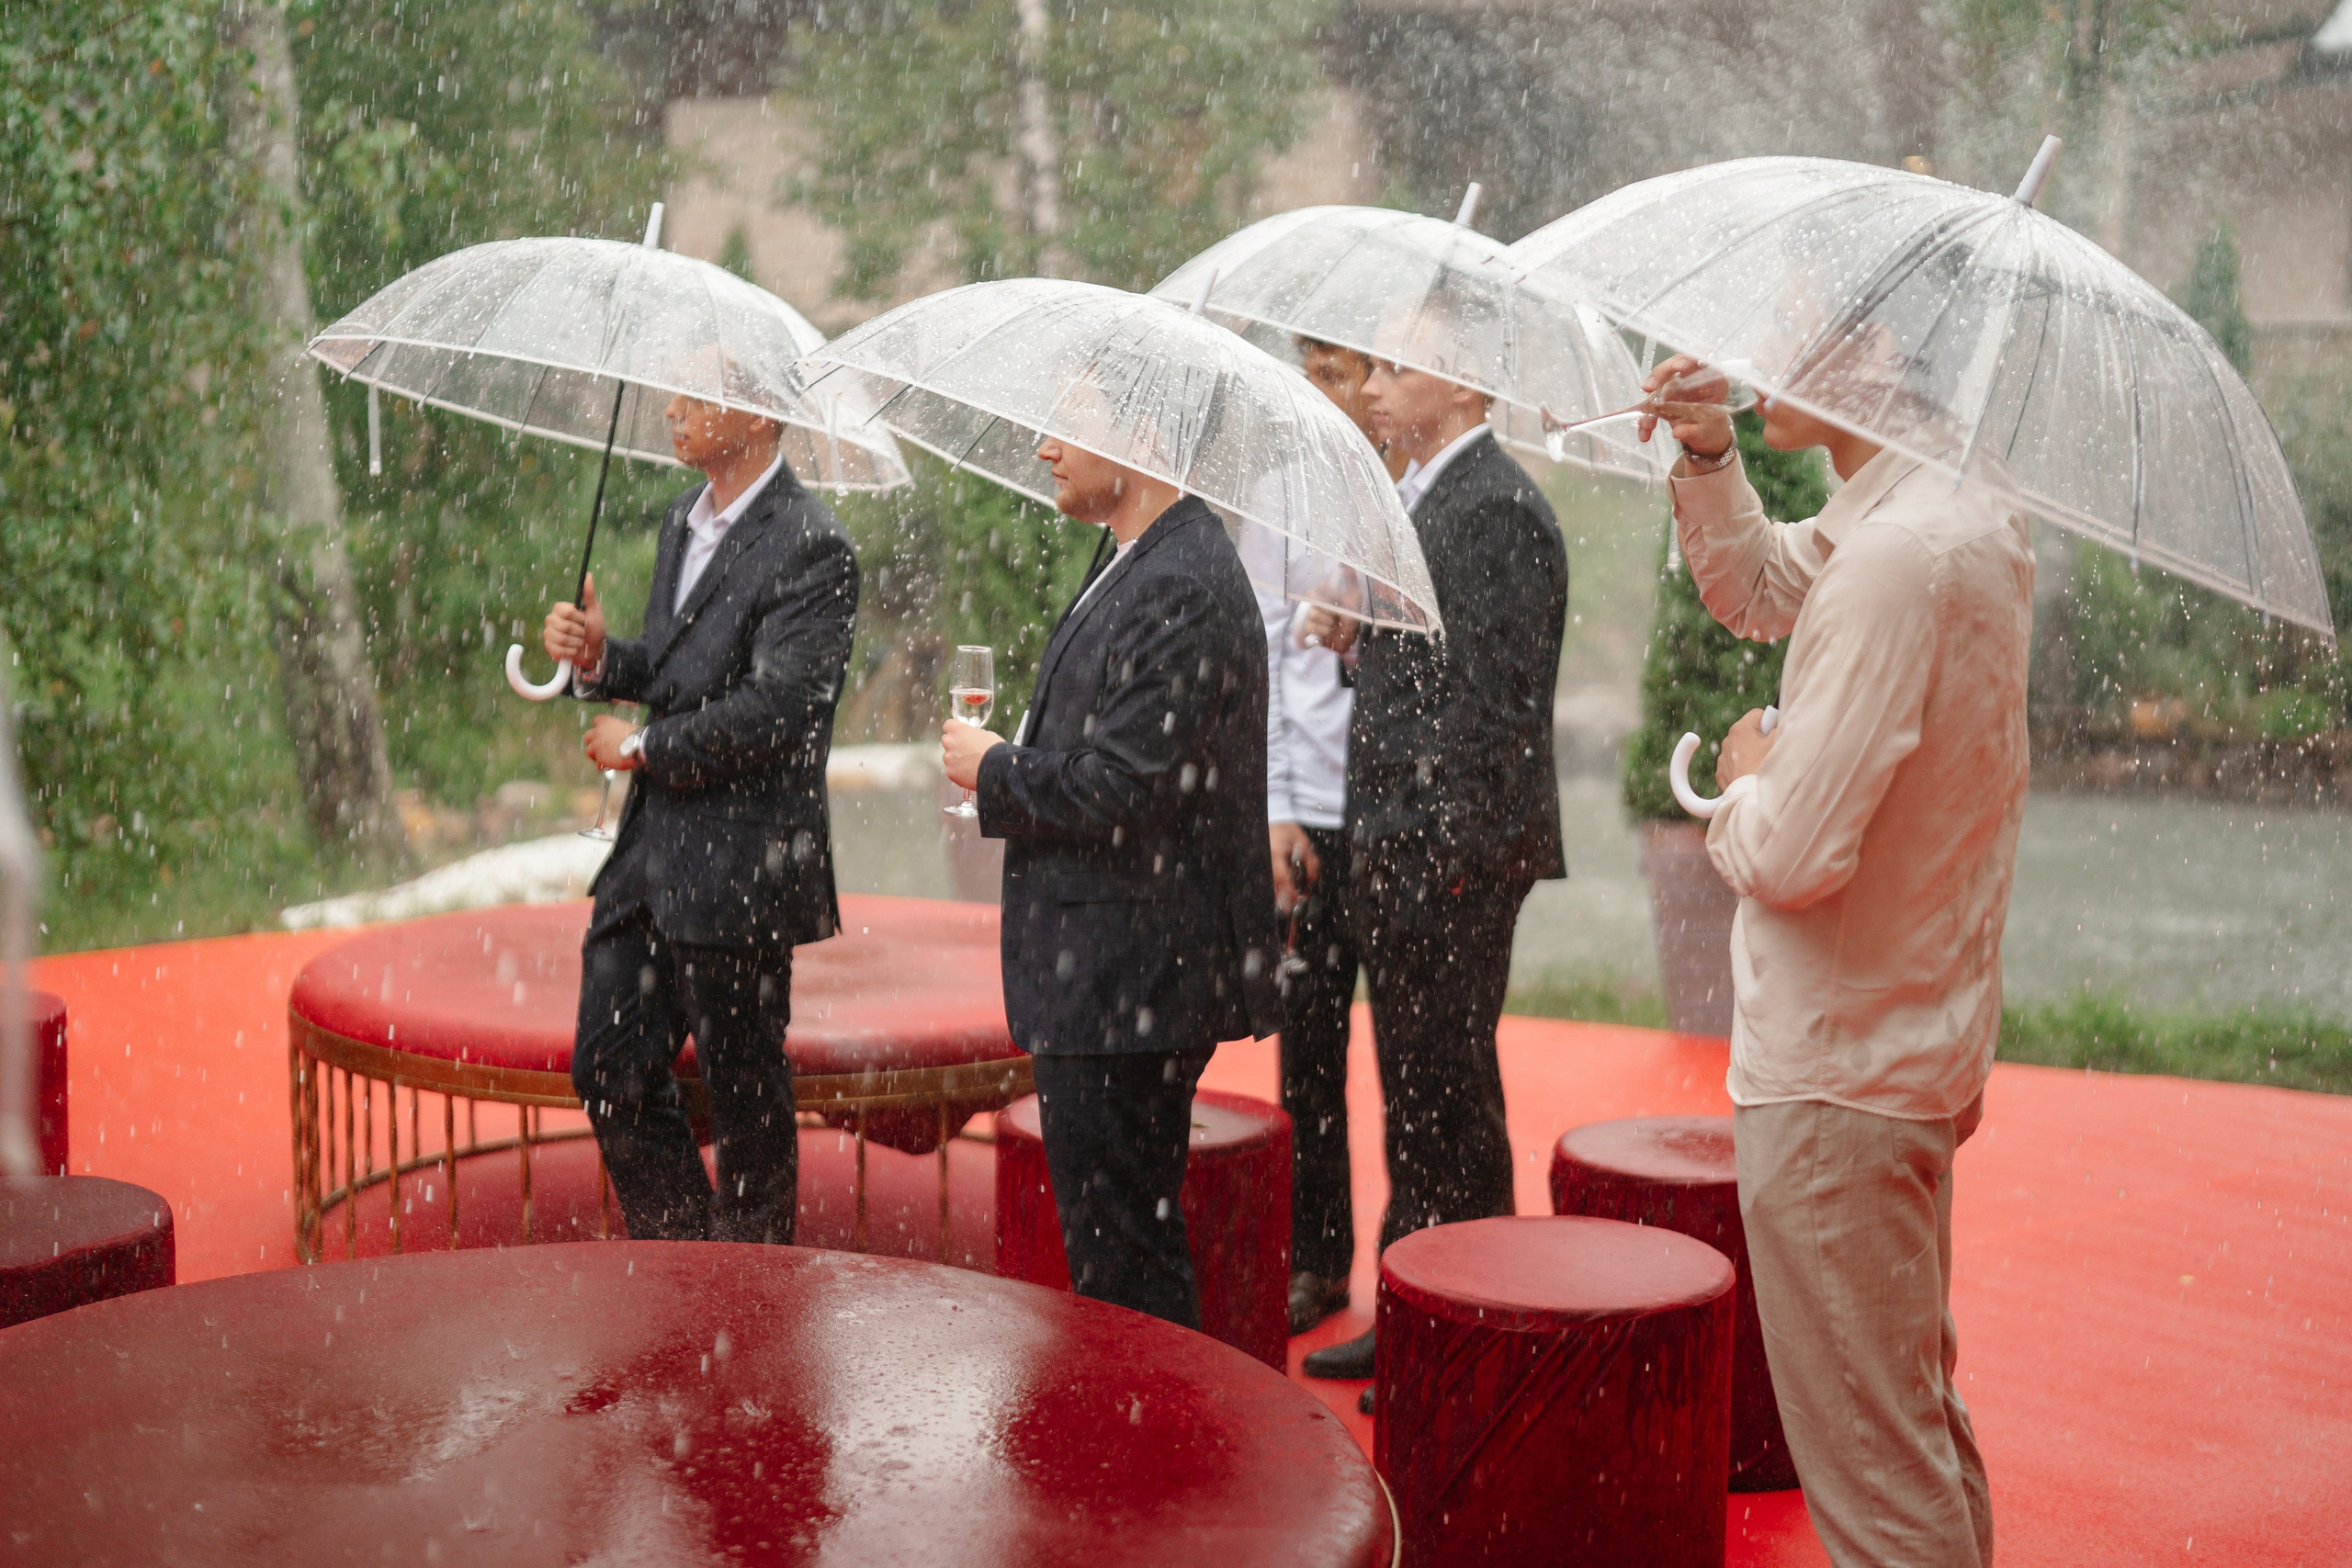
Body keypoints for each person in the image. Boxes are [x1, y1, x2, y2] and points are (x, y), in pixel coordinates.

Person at [1645, 349, 2028, 1568]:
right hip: (1906, 1033)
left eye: (1800, 333)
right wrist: (1709, 450)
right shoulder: (1954, 512)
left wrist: (1744, 779)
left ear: (1878, 357)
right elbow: (1763, 584)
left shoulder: (1896, 559)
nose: (1761, 354)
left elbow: (1793, 850)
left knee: (1874, 1474)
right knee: (1909, 1422)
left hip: (1835, 1071)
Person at [941, 429, 1283, 1329]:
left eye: (1070, 427)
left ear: (1139, 435)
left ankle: (1156, 1418)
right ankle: (1148, 1409)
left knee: (1125, 1258)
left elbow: (1128, 786)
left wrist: (997, 769)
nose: (1044, 447)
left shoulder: (1182, 579)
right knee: (1117, 1244)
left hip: (1130, 976)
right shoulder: (1141, 555)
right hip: (1114, 969)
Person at [1299, 319, 1568, 1399]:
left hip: (1447, 859)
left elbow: (1495, 711)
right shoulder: (1425, 498)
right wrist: (1358, 631)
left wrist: (1443, 858)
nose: (1370, 386)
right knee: (1412, 1096)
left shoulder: (1493, 505)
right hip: (1402, 846)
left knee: (1450, 1101)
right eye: (1369, 366)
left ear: (1461, 386)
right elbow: (1428, 681)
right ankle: (1412, 1307)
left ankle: (1466, 1339)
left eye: (1394, 367)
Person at [541, 393, 858, 1245]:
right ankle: (686, 1264)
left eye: (696, 392)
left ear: (757, 413)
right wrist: (602, 658)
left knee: (746, 1102)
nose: (672, 408)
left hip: (742, 867)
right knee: (608, 1068)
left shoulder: (814, 543)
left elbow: (780, 710)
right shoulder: (681, 519)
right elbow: (677, 669)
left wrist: (642, 745)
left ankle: (752, 1295)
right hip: (650, 857)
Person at [1245, 337, 1408, 1335]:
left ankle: (1412, 1275)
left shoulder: (1412, 482)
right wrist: (1273, 804)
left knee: (1413, 1061)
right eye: (1308, 368)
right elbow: (1262, 649)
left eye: (1339, 371)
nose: (1322, 390)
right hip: (1310, 809)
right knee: (1308, 1050)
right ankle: (1315, 1258)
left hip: (1400, 812)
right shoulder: (1281, 490)